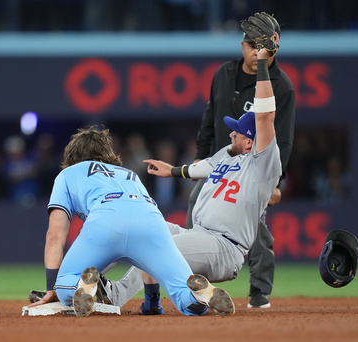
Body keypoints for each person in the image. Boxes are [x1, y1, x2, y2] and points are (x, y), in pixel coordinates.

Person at [102, 38, 283, 313]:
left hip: (225, 246)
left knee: (156, 246)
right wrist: (172, 171)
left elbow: (265, 117)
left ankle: (113, 295)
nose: (231, 132)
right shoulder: (228, 154)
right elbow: (203, 168)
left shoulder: (262, 166)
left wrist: (261, 64)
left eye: (238, 132)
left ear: (251, 142)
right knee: (139, 227)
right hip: (199, 235)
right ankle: (164, 298)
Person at [27, 125, 235, 317]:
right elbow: (141, 234)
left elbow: (55, 236)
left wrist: (51, 289)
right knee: (182, 291)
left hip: (105, 221)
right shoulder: (129, 175)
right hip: (151, 221)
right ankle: (197, 296)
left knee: (65, 286)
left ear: (71, 155)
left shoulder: (68, 174)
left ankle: (84, 286)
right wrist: (152, 302)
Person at [187, 13, 295, 308]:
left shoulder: (280, 86)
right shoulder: (224, 73)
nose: (250, 49)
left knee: (254, 227)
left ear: (269, 49)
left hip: (252, 170)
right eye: (247, 43)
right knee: (195, 205)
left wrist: (275, 179)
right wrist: (200, 155)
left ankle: (259, 290)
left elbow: (282, 138)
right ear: (243, 45)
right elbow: (209, 117)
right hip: (220, 163)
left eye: (255, 44)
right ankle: (196, 280)